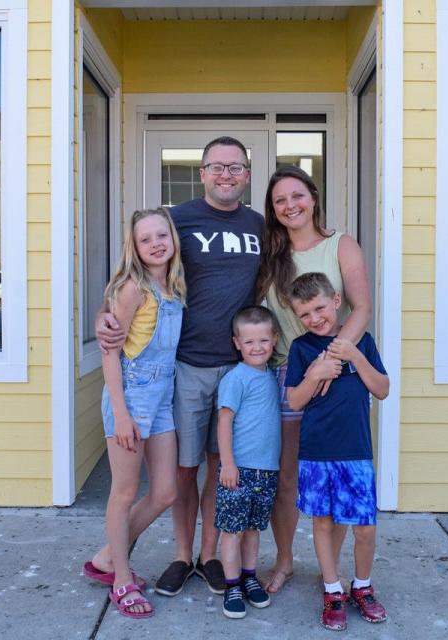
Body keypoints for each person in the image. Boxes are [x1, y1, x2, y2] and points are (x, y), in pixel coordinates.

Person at [96, 137, 263, 597]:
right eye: (216, 166)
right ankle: (180, 555)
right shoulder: (178, 220)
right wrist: (105, 319)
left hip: (235, 368)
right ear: (203, 173)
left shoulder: (259, 226)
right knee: (182, 472)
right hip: (184, 367)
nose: (226, 174)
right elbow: (127, 284)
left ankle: (209, 556)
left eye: (235, 167)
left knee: (218, 463)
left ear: (246, 174)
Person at [255, 165, 372, 594]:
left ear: (313, 197)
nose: (290, 206)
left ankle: (332, 573)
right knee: (287, 475)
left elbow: (361, 308)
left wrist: (333, 359)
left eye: (296, 196)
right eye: (280, 201)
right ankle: (284, 562)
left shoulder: (341, 246)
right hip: (288, 374)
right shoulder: (270, 255)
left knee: (336, 472)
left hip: (338, 373)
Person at [84, 208, 185, 619]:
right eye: (146, 239)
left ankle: (108, 555)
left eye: (162, 235)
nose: (156, 243)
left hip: (163, 399)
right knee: (123, 493)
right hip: (132, 396)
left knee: (165, 492)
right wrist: (122, 415)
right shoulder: (132, 289)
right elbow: (110, 353)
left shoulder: (174, 286)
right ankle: (121, 579)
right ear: (135, 247)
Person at [284, 272, 389, 631]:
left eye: (319, 308)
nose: (314, 319)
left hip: (356, 450)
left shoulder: (363, 342)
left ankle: (362, 586)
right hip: (316, 452)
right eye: (305, 314)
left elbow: (383, 389)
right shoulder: (301, 349)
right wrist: (315, 374)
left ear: (336, 302)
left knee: (364, 528)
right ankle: (332, 590)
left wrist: (354, 356)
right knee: (324, 522)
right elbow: (295, 401)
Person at [214, 306, 281, 619]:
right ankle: (231, 585)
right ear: (237, 343)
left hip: (266, 470)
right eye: (250, 342)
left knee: (254, 528)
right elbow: (224, 421)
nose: (257, 347)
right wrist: (228, 464)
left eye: (264, 341)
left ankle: (249, 575)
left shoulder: (270, 375)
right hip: (238, 471)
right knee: (233, 530)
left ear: (274, 340)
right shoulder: (236, 379)